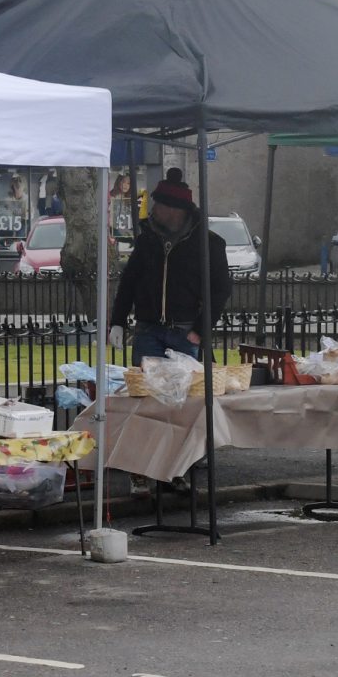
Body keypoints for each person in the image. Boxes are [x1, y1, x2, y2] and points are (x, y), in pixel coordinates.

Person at [109, 179, 232, 498]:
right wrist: (118, 321)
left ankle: (176, 470)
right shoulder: (147, 240)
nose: (153, 211)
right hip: (149, 330)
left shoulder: (209, 244)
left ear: (176, 210)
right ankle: (141, 470)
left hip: (184, 331)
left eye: (159, 205)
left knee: (183, 407)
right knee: (146, 402)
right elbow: (129, 282)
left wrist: (201, 329)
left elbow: (220, 290)